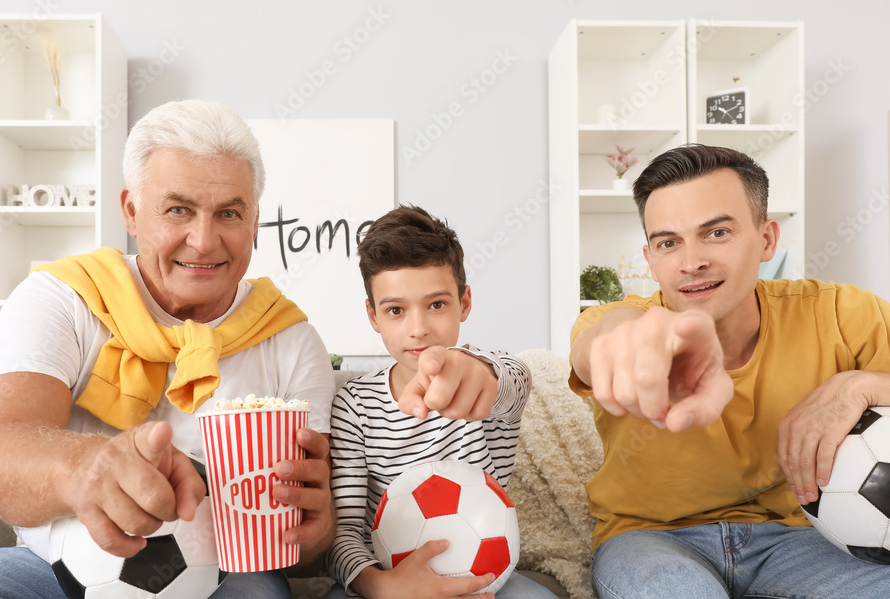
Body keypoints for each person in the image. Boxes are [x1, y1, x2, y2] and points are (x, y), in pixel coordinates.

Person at [0, 101, 336, 598]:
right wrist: (87, 464)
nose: (204, 240)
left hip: (228, 576)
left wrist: (314, 534)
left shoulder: (290, 338)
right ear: (131, 210)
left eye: (229, 213)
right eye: (178, 210)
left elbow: (309, 534)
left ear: (254, 220)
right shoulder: (66, 298)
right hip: (52, 573)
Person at [569, 143, 890, 598]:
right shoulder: (615, 321)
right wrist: (630, 343)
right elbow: (601, 342)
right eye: (668, 243)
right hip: (652, 539)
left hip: (800, 540)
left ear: (766, 240)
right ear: (649, 259)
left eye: (716, 233)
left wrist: (861, 384)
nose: (691, 261)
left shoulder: (842, 312)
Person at [324, 205, 554, 599]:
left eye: (436, 304)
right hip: (388, 582)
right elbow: (343, 532)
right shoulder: (355, 405)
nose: (418, 329)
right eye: (396, 310)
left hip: (486, 581)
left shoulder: (483, 380)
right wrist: (381, 586)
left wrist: (478, 371)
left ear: (464, 302)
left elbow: (515, 378)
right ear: (373, 316)